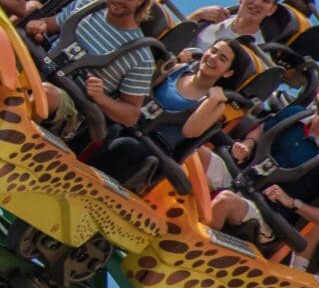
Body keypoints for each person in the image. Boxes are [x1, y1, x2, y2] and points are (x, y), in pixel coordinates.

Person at [207, 67, 319, 244]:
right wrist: (248, 144)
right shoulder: (294, 114)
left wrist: (293, 203)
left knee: (225, 202)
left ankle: (187, 249)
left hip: (267, 214)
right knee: (198, 154)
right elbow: (262, 129)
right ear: (318, 90)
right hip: (241, 179)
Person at [25, 0, 156, 134]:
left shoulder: (141, 56)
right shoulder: (85, 6)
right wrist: (38, 26)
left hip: (71, 101)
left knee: (45, 93)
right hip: (40, 68)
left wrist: (101, 98)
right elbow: (48, 25)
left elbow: (131, 115)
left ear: (141, 0)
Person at [88, 40, 241, 184]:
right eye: (213, 51)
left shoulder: (216, 105)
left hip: (152, 146)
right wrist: (171, 61)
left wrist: (212, 100)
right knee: (99, 122)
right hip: (130, 123)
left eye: (222, 58)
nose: (213, 58)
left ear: (227, 73)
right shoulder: (178, 69)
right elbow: (142, 89)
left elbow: (190, 131)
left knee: (125, 145)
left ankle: (88, 179)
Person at [187, 0, 284, 51]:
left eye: (265, 0)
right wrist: (197, 15)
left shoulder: (260, 52)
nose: (257, 3)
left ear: (271, 10)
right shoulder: (209, 21)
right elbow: (174, 41)